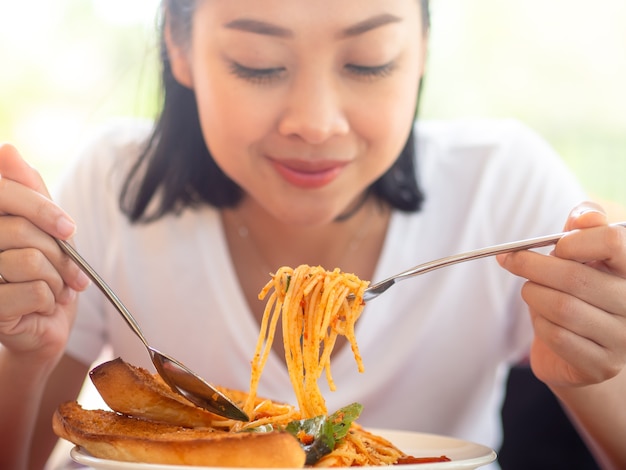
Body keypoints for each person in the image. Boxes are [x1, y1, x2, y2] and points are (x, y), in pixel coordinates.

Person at [0, 1, 625, 469]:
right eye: (259, 65)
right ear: (180, 49)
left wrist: (597, 373)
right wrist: (26, 357)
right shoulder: (112, 188)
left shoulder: (504, 186)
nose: (315, 123)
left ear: (424, 51)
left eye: (368, 61)